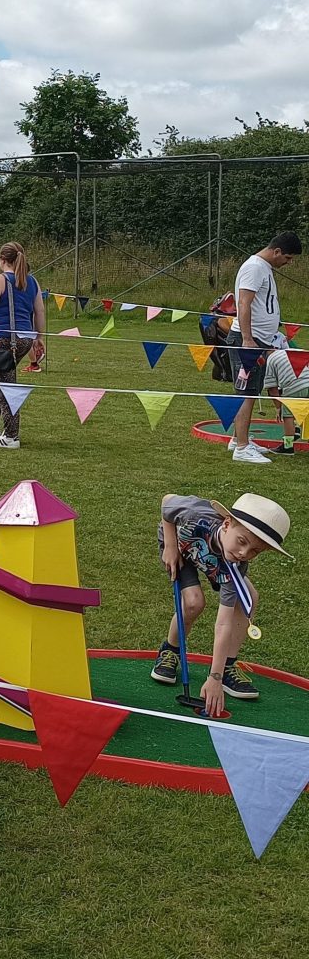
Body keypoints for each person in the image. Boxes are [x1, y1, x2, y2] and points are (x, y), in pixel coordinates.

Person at [150, 493, 292, 717]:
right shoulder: (196, 515)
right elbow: (167, 502)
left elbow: (223, 623)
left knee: (248, 598)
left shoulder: (236, 563)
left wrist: (213, 677)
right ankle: (170, 651)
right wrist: (169, 545)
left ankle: (225, 668)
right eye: (242, 541)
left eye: (255, 551)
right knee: (194, 603)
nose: (244, 553)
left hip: (218, 562)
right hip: (182, 546)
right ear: (226, 524)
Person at [226, 232, 302, 464]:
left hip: (261, 340)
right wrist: (248, 339)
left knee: (253, 390)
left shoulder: (264, 268)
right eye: (287, 258)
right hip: (248, 340)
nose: (288, 263)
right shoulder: (255, 267)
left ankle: (239, 439)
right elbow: (244, 302)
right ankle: (241, 448)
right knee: (246, 393)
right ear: (277, 251)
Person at [0, 242, 46, 449]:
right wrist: (39, 337)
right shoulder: (32, 282)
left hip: (4, 338)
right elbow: (39, 311)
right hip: (24, 338)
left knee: (6, 385)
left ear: (1, 259)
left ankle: (11, 435)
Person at [263, 348, 309, 454]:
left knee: (287, 414)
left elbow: (272, 388)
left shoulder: (271, 358)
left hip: (294, 386)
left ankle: (288, 446)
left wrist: (279, 407)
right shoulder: (295, 351)